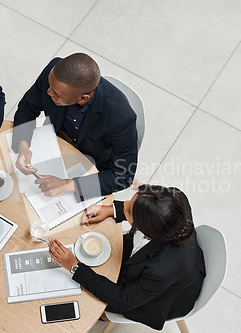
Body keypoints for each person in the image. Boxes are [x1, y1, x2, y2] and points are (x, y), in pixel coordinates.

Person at [48, 185, 206, 330]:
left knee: (89, 300)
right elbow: (144, 207)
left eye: (129, 210)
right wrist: (112, 209)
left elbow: (122, 301)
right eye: (131, 201)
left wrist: (74, 266)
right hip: (167, 268)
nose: (125, 204)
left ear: (147, 231)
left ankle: (104, 314)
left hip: (160, 300)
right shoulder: (176, 197)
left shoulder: (160, 270)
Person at [12, 53, 137, 199]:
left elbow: (123, 177)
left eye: (56, 95)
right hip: (53, 142)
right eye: (50, 87)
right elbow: (28, 107)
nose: (48, 92)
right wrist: (23, 146)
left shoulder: (121, 117)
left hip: (90, 163)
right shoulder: (54, 74)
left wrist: (67, 185)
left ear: (83, 98)